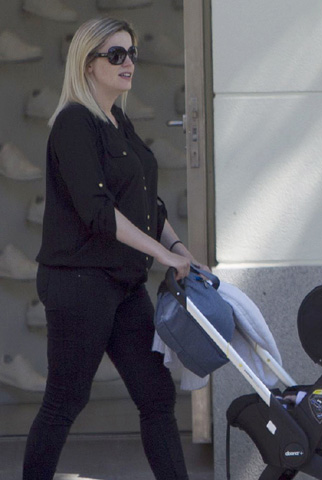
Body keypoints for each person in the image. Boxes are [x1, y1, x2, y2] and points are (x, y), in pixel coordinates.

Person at [23, 17, 203, 480]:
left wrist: (179, 247)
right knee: (66, 400)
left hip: (122, 284)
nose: (128, 64)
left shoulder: (117, 119)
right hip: (79, 283)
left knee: (156, 397)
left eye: (132, 54)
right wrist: (163, 257)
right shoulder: (73, 124)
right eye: (116, 55)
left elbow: (146, 202)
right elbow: (99, 212)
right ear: (87, 64)